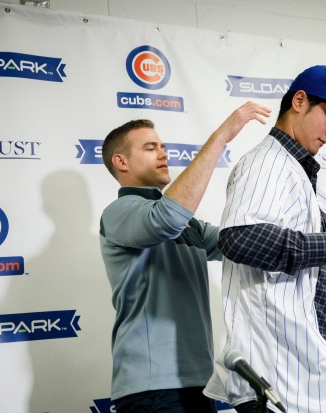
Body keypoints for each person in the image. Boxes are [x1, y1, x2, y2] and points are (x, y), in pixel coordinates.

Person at [204, 65, 326, 413]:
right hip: (273, 380)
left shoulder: (301, 174)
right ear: (299, 101)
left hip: (302, 376)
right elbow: (239, 238)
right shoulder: (266, 163)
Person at [99, 101, 271, 413]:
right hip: (153, 390)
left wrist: (322, 242)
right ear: (120, 161)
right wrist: (220, 137)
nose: (164, 153)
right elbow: (165, 219)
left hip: (199, 383)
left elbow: (240, 243)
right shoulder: (118, 213)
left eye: (163, 146)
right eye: (151, 147)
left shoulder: (186, 223)